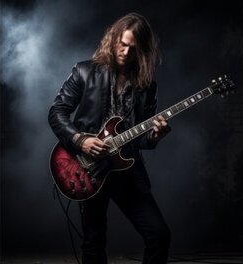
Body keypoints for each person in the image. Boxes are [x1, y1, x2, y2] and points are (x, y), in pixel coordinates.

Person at [48, 12, 171, 264]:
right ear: (113, 39)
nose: (125, 52)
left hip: (126, 170)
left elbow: (142, 140)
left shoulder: (147, 86)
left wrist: (155, 137)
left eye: (133, 48)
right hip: (89, 168)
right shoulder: (84, 71)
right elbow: (57, 112)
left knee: (159, 235)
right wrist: (80, 140)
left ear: (142, 51)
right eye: (122, 44)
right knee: (93, 245)